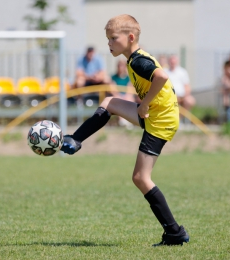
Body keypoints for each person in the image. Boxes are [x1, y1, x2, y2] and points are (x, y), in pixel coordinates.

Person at [61, 14, 189, 246]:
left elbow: (161, 76)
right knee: (110, 103)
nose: (109, 43)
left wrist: (146, 104)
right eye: (107, 39)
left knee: (141, 178)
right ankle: (75, 139)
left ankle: (174, 232)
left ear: (130, 38)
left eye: (112, 38)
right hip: (155, 113)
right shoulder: (133, 59)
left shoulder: (139, 60)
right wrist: (145, 105)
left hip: (160, 119)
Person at [110, 59, 136, 128]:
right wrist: (119, 96)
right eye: (119, 65)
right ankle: (122, 120)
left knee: (129, 99)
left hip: (126, 95)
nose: (121, 67)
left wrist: (126, 96)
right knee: (118, 99)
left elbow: (130, 89)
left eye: (122, 66)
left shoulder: (128, 78)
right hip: (118, 95)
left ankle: (128, 120)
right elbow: (113, 89)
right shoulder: (113, 77)